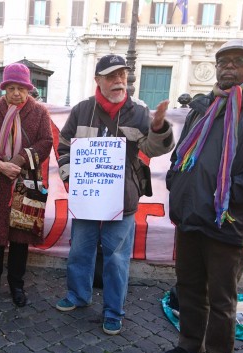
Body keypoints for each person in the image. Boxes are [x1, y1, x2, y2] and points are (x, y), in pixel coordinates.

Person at [161, 39, 243, 353]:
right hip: (189, 216)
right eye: (223, 61)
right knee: (188, 287)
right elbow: (180, 155)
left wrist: (224, 194)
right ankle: (191, 345)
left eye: (238, 60)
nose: (229, 66)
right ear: (216, 67)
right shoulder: (202, 107)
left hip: (225, 220)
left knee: (221, 299)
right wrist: (177, 181)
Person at [55, 54, 174, 335]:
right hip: (87, 198)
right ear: (97, 81)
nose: (119, 80)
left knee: (117, 258)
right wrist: (72, 177)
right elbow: (62, 146)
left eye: (122, 75)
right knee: (79, 250)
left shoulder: (139, 112)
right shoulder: (82, 110)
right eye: (111, 76)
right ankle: (77, 295)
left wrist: (158, 128)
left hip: (123, 199)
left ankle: (113, 311)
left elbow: (155, 149)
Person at [0, 63, 53, 307]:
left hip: (26, 181)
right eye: (11, 88)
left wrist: (19, 160)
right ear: (4, 89)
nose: (16, 93)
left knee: (20, 236)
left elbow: (45, 141)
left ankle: (17, 284)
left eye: (21, 88)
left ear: (28, 89)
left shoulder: (39, 113)